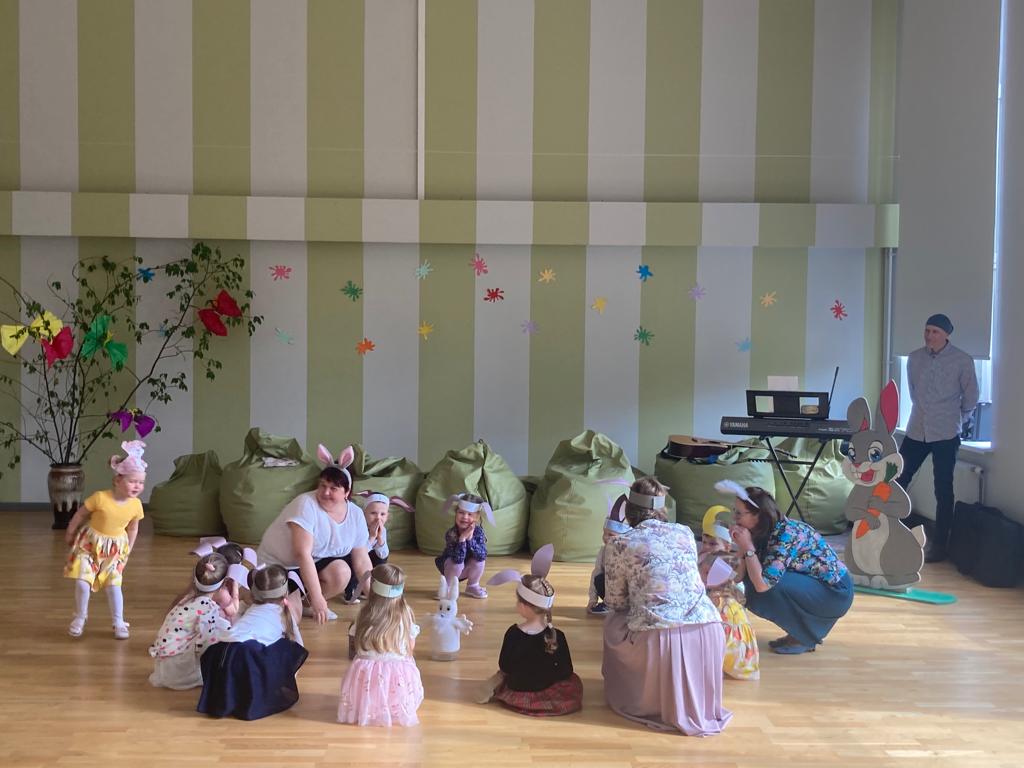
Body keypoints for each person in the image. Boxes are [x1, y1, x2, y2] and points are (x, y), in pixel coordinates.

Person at [602, 477, 731, 737]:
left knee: (613, 622)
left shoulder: (619, 544)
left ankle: (648, 696)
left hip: (659, 637)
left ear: (630, 510)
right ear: (662, 508)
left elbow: (615, 601)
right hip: (709, 630)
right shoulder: (685, 533)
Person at [722, 482, 853, 655]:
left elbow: (762, 585)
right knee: (748, 581)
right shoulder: (758, 531)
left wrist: (748, 548)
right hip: (812, 585)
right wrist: (742, 548)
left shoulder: (787, 534)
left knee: (763, 585)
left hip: (835, 592)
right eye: (734, 511)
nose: (734, 518)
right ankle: (800, 633)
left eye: (739, 513)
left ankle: (803, 637)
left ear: (758, 515)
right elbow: (738, 578)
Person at [896, 313, 979, 562]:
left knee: (943, 488)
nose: (929, 335)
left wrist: (958, 419)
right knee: (898, 478)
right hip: (916, 429)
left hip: (946, 432)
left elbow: (971, 396)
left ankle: (940, 545)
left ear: (946, 335)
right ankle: (889, 531)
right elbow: (913, 392)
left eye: (935, 332)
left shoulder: (962, 360)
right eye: (927, 330)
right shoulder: (914, 358)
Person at [257, 445, 371, 623]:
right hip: (280, 567)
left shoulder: (355, 514)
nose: (325, 492)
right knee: (287, 618)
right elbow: (302, 554)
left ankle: (306, 604)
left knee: (341, 571)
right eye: (322, 485)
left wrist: (376, 600)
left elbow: (362, 561)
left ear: (347, 492)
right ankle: (283, 601)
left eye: (333, 488)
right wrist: (318, 597)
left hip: (312, 563)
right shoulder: (305, 504)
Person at [197, 564, 308, 720]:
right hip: (245, 658)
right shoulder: (282, 614)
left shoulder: (250, 609)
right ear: (285, 593)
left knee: (256, 648)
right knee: (288, 647)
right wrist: (283, 679)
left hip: (219, 654)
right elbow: (298, 648)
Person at [63, 440, 147, 639]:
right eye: (133, 481)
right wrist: (70, 531)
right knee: (82, 582)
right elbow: (80, 514)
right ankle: (80, 617)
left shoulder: (136, 505)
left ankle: (118, 622)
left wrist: (128, 550)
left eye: (141, 482)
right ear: (117, 480)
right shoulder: (100, 498)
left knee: (114, 586)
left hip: (115, 550)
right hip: (89, 546)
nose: (137, 486)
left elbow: (133, 528)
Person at [337, 564, 424, 727]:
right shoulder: (406, 614)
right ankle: (393, 705)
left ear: (373, 588)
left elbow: (356, 641)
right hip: (397, 672)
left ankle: (368, 705)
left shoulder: (363, 614)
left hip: (367, 672)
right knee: (403, 664)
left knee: (370, 672)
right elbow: (410, 646)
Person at [486, 574, 583, 717]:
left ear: (524, 606)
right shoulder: (557, 635)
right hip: (546, 686)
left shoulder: (513, 633)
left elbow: (504, 666)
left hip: (517, 688)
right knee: (573, 681)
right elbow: (566, 671)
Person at [148, 553, 237, 690]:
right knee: (219, 637)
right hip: (177, 670)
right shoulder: (209, 608)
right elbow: (205, 645)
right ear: (223, 584)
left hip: (163, 664)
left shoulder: (186, 599)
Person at [697, 507, 759, 681]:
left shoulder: (727, 566)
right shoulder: (702, 560)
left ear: (726, 546)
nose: (706, 547)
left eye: (712, 544)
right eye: (704, 542)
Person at [434, 492, 492, 599]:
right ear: (456, 513)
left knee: (480, 561)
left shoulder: (478, 532)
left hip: (467, 567)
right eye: (461, 512)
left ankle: (472, 586)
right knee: (456, 563)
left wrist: (470, 539)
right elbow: (457, 559)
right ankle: (448, 587)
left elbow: (482, 555)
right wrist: (462, 539)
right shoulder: (451, 533)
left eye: (470, 514)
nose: (465, 517)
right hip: (451, 568)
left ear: (476, 517)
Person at [587, 510, 630, 615]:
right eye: (604, 533)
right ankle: (608, 605)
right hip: (609, 590)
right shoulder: (603, 551)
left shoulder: (629, 552)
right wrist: (592, 599)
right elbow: (596, 573)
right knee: (599, 579)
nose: (605, 537)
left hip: (626, 592)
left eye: (610, 534)